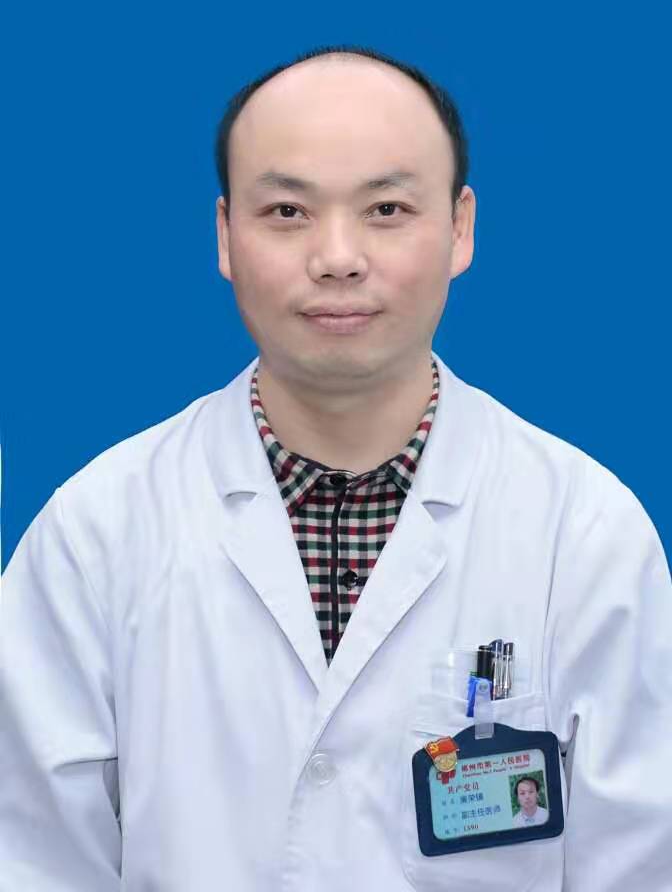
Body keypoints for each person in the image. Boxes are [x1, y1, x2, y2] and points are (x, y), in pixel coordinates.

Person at [1, 43, 671, 891]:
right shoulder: (94, 531)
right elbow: (30, 860)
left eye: (387, 208)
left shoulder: (585, 533)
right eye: (287, 211)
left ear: (460, 227)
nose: (338, 256)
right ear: (225, 235)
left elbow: (644, 863)